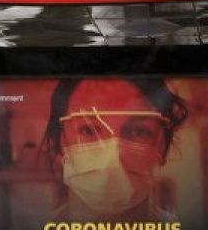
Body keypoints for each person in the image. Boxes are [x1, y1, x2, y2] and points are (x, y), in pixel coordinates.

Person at [42, 77, 188, 222]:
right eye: (88, 130)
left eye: (138, 131)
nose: (113, 158)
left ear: (163, 146)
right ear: (60, 142)